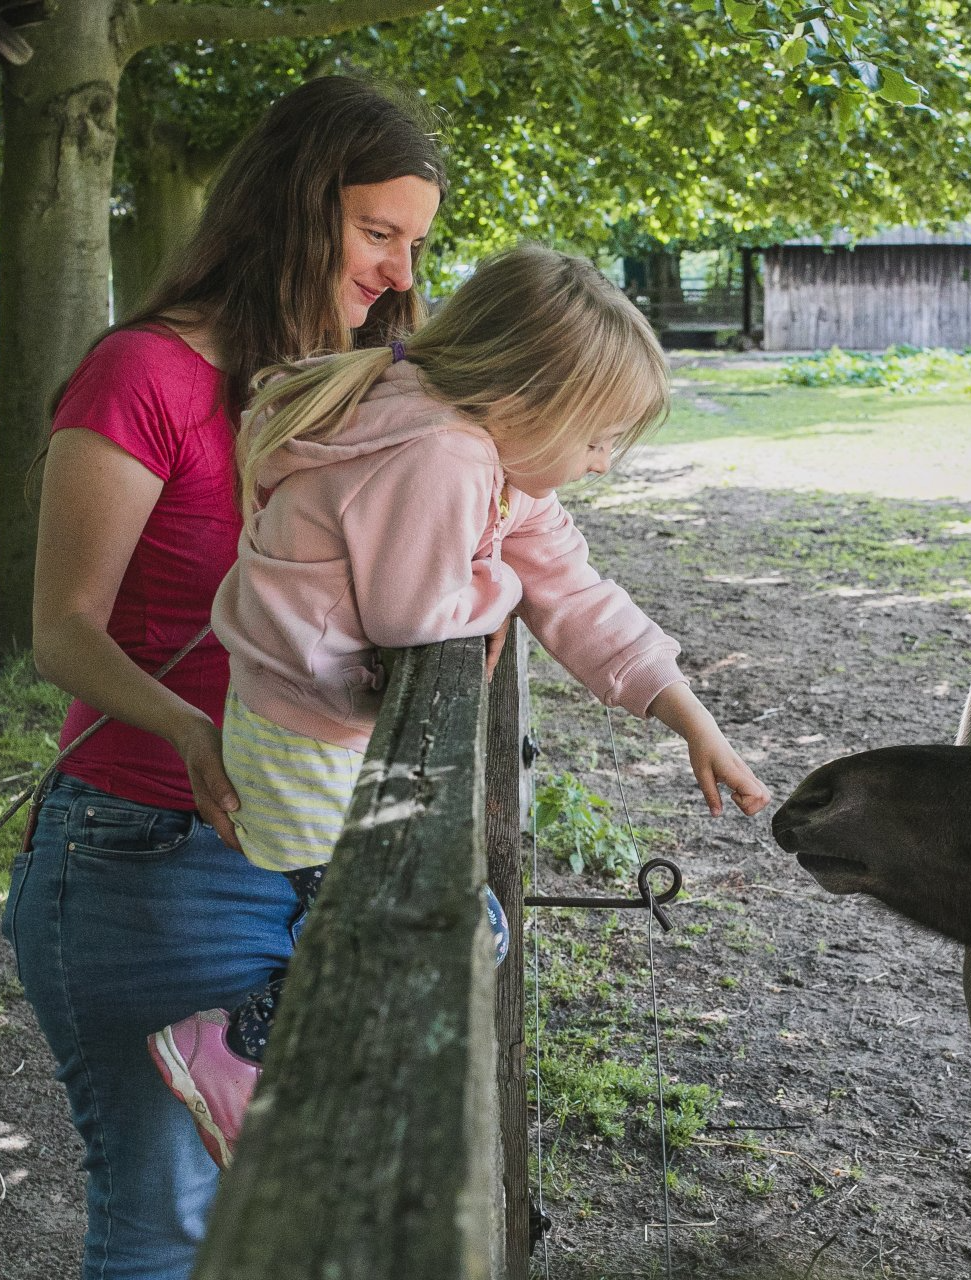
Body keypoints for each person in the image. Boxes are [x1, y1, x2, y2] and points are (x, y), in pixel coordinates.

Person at [145, 242, 773, 1168]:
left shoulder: (484, 456)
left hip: (316, 728)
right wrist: (501, 586)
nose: (601, 466)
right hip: (307, 741)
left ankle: (288, 1081)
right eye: (598, 439)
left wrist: (687, 714)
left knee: (405, 928)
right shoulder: (440, 452)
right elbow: (420, 619)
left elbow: (576, 590)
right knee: (451, 931)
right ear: (525, 403)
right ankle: (235, 1053)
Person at [2, 76, 445, 1280]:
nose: (402, 273)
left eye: (416, 242)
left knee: (287, 1222)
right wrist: (199, 734)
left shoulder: (353, 391)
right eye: (377, 233)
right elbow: (65, 632)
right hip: (145, 847)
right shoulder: (142, 374)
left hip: (301, 839)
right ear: (299, 208)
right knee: (169, 1229)